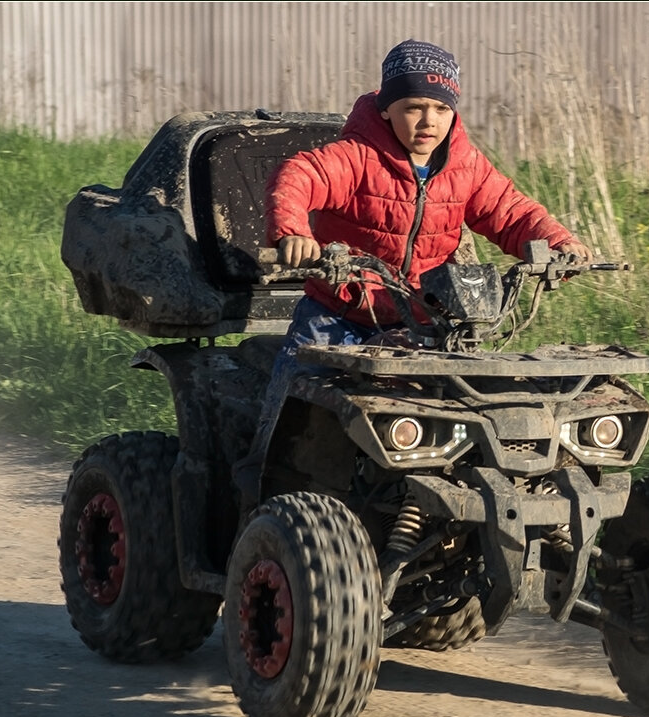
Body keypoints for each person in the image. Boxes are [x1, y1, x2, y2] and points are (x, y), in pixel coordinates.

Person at [236, 38, 592, 502]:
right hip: (336, 317)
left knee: (461, 427)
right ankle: (255, 502)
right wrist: (292, 231)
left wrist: (560, 244)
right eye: (413, 107)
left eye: (441, 110)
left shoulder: (465, 166)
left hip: (424, 324)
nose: (428, 122)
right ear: (386, 108)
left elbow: (511, 211)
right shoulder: (357, 156)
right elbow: (299, 175)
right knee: (289, 423)